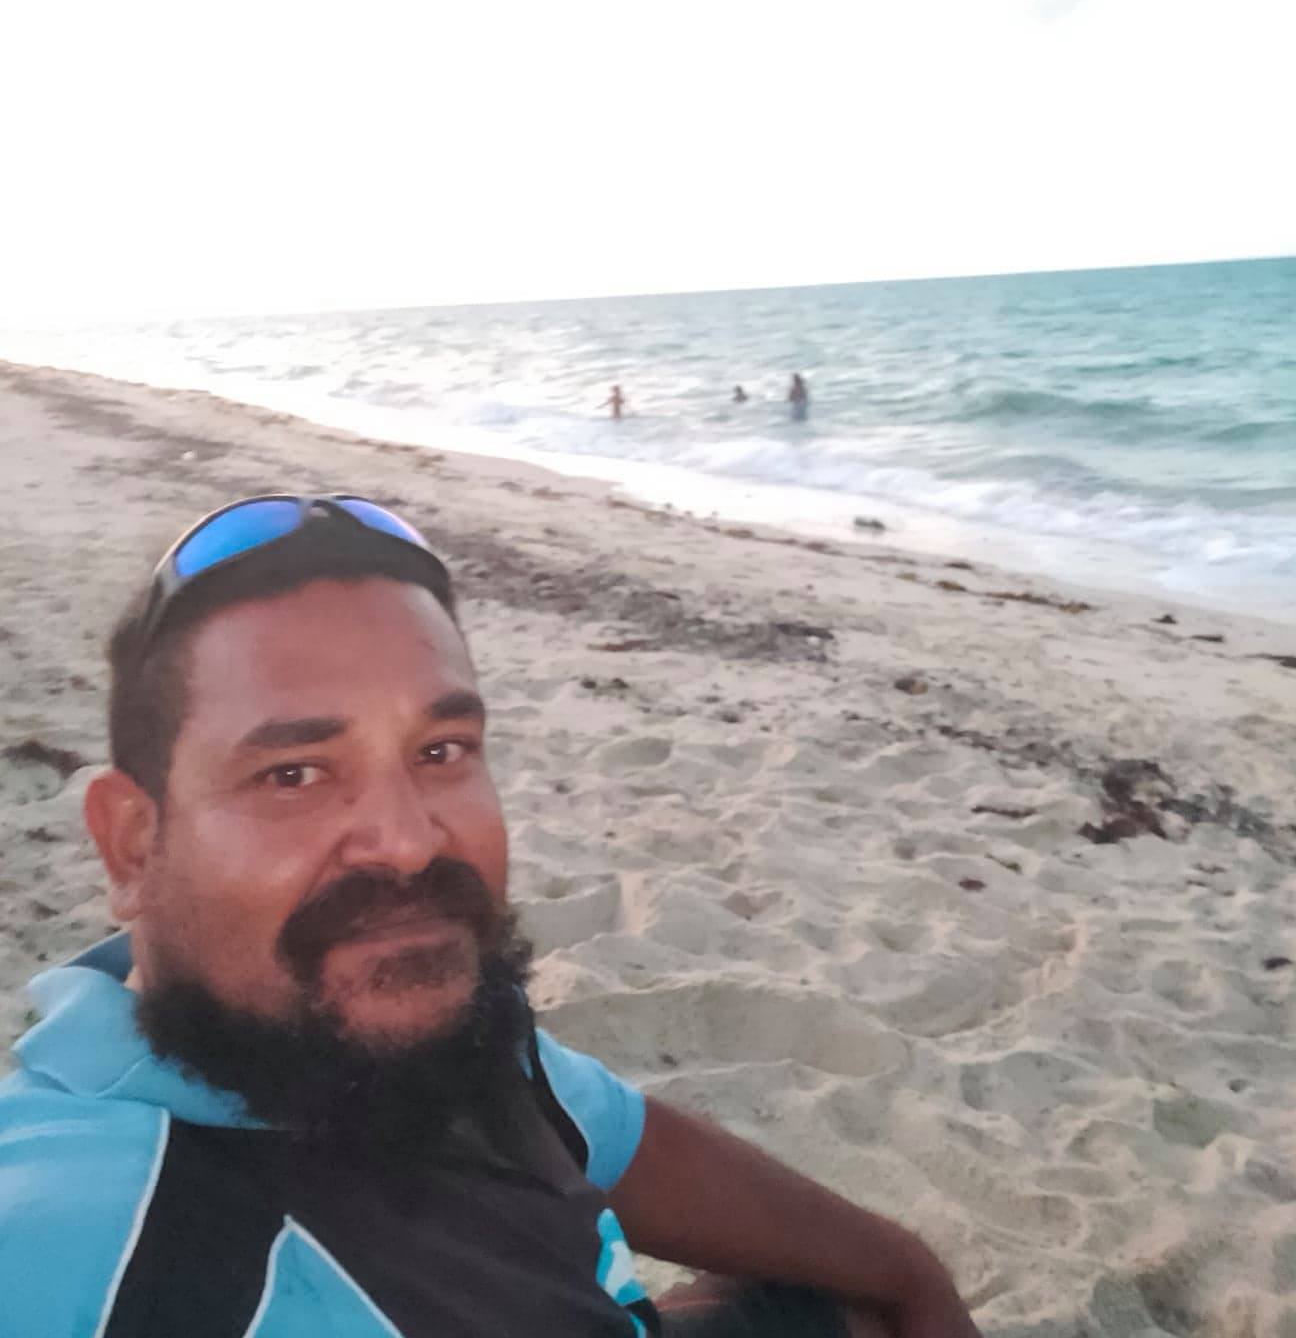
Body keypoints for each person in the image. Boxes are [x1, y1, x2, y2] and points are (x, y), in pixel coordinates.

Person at [0, 495, 980, 1338]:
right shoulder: (93, 1238)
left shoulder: (415, 1020)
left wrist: (910, 1277)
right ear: (133, 844)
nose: (408, 841)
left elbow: (613, 1136)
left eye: (441, 751)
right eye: (293, 773)